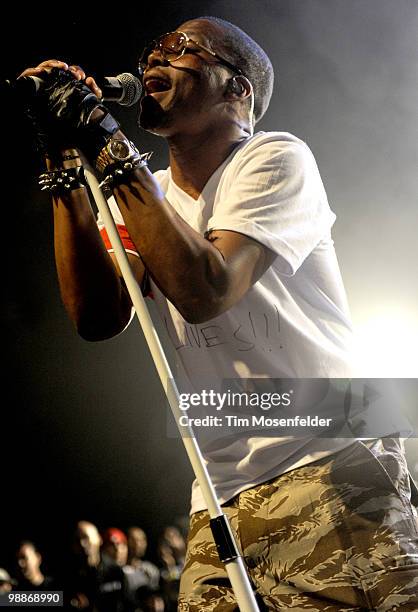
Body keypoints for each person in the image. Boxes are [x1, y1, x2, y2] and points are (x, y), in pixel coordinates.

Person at [20, 15, 418, 611]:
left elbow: (206, 289)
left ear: (238, 90)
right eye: (154, 47)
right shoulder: (142, 190)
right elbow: (96, 317)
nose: (158, 56)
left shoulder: (275, 156)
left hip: (330, 451)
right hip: (220, 488)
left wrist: (108, 143)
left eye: (183, 50)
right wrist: (68, 164)